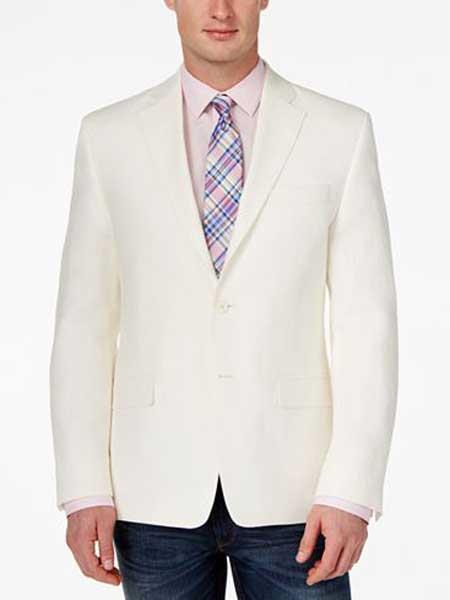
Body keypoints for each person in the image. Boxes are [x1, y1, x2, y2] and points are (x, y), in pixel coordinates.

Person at [49, 1, 398, 597]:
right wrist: (84, 488)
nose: (219, 9)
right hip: (151, 490)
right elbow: (83, 322)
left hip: (298, 494)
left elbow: (367, 324)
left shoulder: (340, 133)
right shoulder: (108, 137)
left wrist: (351, 489)